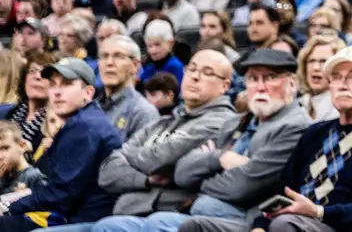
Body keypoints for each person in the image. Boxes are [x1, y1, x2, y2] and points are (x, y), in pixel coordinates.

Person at [176, 46, 352, 232]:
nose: (342, 84)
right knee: (195, 226)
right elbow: (282, 191)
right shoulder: (316, 133)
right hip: (291, 222)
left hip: (337, 226)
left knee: (285, 225)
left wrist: (318, 212)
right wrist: (260, 225)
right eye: (336, 77)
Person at [96, 47, 314, 232]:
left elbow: (242, 186)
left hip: (250, 218)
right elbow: (182, 173)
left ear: (292, 84)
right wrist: (219, 158)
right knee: (110, 226)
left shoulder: (293, 125)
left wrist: (203, 180)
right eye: (253, 78)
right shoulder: (237, 122)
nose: (260, 86)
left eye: (270, 78)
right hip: (204, 209)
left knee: (158, 223)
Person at [94, 49, 239, 217]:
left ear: (224, 86)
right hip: (130, 211)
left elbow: (163, 160)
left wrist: (128, 156)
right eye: (192, 69)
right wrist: (146, 180)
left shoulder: (222, 121)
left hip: (174, 214)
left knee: (107, 226)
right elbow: (106, 172)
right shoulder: (162, 122)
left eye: (207, 73)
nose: (195, 76)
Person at [0, 58, 123, 232]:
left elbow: (60, 195)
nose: (57, 92)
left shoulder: (84, 126)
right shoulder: (87, 119)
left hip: (84, 221)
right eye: (53, 85)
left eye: (66, 84)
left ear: (88, 92)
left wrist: (8, 205)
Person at [95, 36, 159, 142]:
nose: (109, 62)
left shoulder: (143, 112)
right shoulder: (91, 108)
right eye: (104, 56)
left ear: (135, 65)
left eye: (118, 56)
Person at [297, 34, 341, 120]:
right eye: (311, 61)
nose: (316, 67)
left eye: (323, 61)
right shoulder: (300, 103)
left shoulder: (341, 108)